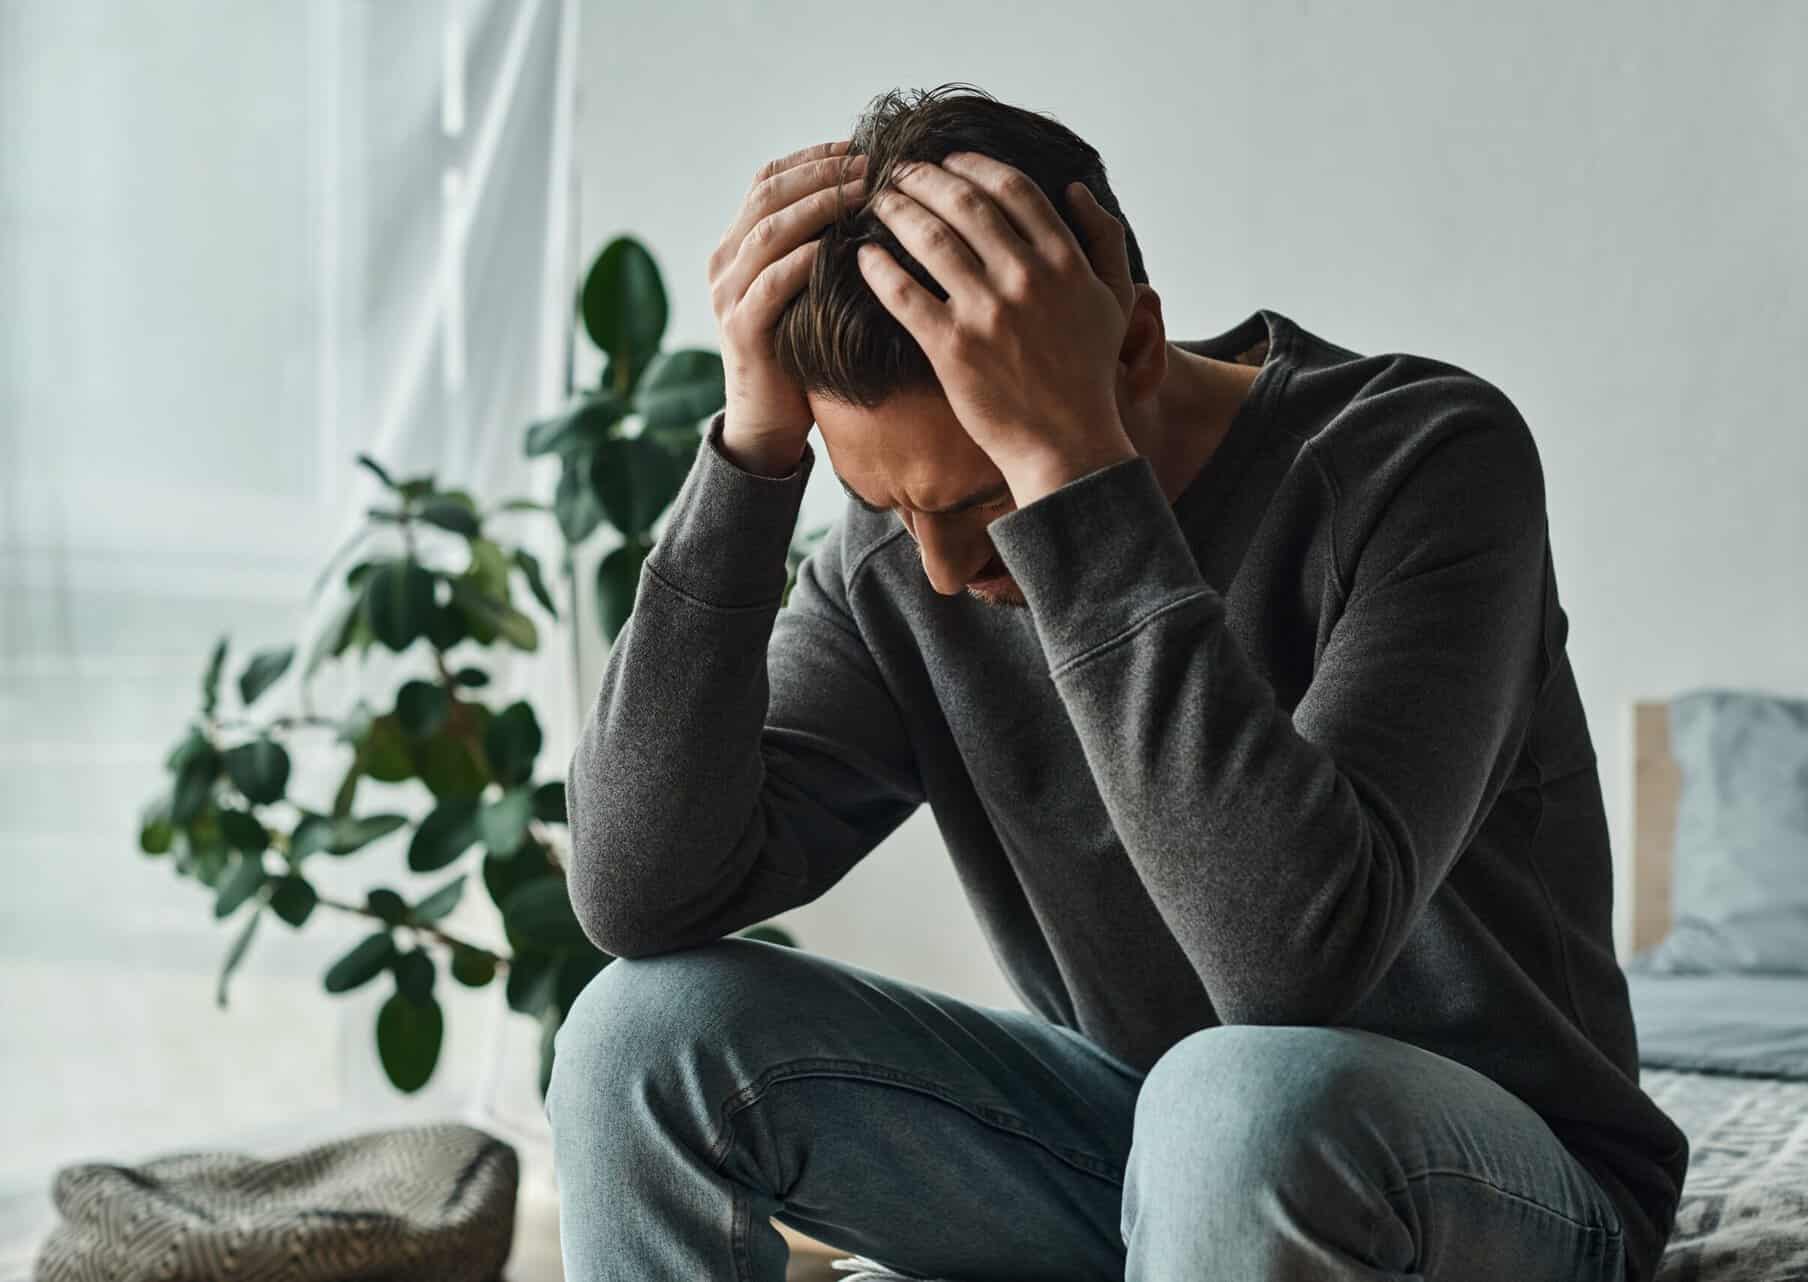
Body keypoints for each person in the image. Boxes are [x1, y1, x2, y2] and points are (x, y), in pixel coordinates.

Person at [547, 82, 1688, 1282]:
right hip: (1151, 1152)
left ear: (1132, 347)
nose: (941, 568)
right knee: (640, 1032)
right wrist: (747, 466)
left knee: (1236, 1096)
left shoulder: (1422, 462)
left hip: (1499, 1180)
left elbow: (1286, 964)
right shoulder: (901, 569)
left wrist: (1070, 479)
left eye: (985, 498)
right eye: (888, 505)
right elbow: (639, 895)